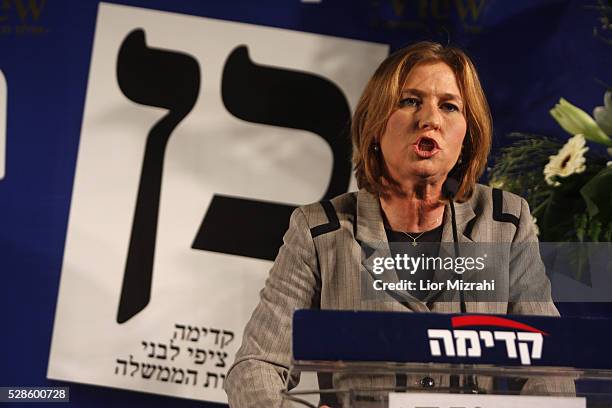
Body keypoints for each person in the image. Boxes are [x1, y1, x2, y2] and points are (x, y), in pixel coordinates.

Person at [224, 41, 573, 407]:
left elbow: (548, 366)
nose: (430, 119)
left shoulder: (504, 221)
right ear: (375, 124)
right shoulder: (319, 230)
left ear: (467, 138)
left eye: (449, 106)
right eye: (410, 101)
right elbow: (254, 368)